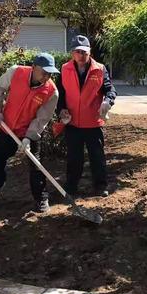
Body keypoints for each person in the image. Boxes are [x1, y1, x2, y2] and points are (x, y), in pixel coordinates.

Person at [0, 53, 60, 212]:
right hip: (8, 127)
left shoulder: (51, 92)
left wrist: (29, 137)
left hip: (29, 131)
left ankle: (41, 198)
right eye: (44, 72)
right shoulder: (16, 72)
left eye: (50, 74)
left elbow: (42, 118)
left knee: (36, 165)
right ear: (33, 68)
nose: (46, 77)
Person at [56, 35, 116, 197]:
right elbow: (59, 93)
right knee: (74, 158)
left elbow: (109, 89)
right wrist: (60, 109)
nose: (81, 56)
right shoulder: (65, 69)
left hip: (93, 122)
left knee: (97, 157)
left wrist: (108, 102)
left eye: (84, 52)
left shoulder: (100, 69)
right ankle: (71, 186)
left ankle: (100, 186)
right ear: (72, 54)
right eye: (78, 52)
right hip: (73, 122)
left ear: (90, 53)